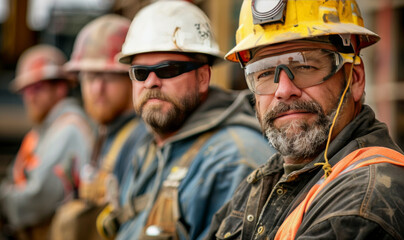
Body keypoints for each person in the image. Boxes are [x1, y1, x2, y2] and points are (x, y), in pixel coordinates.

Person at [206, 0, 404, 239]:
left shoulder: (365, 205)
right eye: (265, 73)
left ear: (355, 79)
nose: (283, 90)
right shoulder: (269, 179)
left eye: (304, 66)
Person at [96, 1, 275, 240]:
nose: (150, 82)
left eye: (167, 70)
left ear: (203, 77)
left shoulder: (231, 161)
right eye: (140, 72)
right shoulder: (151, 145)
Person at [49, 14, 147, 240]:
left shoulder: (140, 140)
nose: (97, 89)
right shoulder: (104, 131)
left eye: (109, 77)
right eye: (90, 77)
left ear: (133, 78)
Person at [0, 44, 94, 240]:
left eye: (38, 88)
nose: (30, 97)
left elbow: (36, 199)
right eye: (26, 90)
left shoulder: (68, 129)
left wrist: (4, 199)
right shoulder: (44, 130)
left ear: (60, 88)